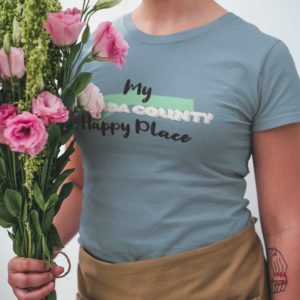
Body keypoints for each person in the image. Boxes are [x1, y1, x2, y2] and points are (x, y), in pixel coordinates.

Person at [6, 0, 300, 299]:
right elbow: (79, 184)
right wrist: (37, 255)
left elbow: (286, 224)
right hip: (102, 289)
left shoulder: (262, 57)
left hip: (221, 286)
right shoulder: (88, 54)